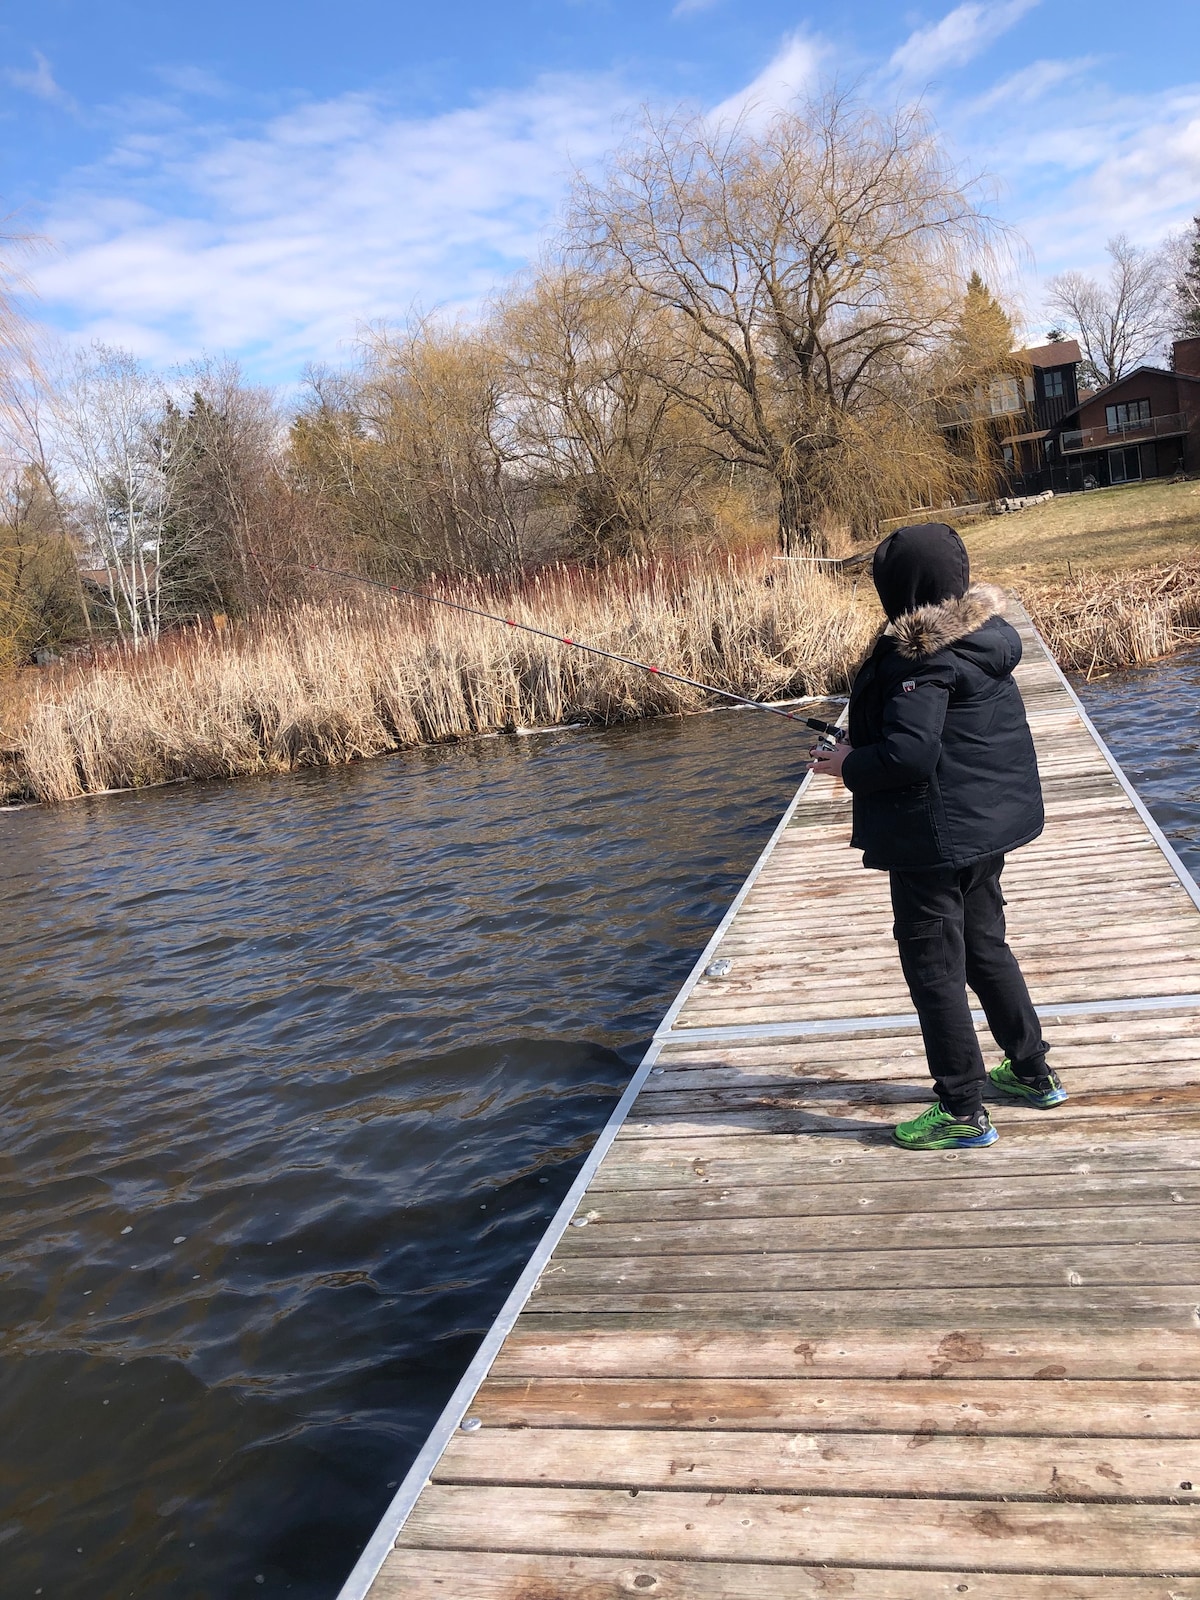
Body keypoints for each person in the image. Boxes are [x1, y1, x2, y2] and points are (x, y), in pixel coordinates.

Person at [811, 522, 1067, 1150]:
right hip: (981, 827)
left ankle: (960, 1108)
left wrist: (847, 764)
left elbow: (909, 754)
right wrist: (857, 746)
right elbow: (937, 737)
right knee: (984, 946)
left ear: (896, 589)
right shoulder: (983, 638)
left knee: (934, 967)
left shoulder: (917, 657)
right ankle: (1033, 1072)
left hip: (933, 836)